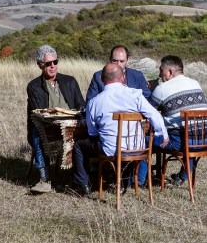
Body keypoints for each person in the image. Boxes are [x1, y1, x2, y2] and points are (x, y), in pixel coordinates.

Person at [72, 63, 168, 195]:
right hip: (137, 148)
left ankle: (83, 183)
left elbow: (92, 131)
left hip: (111, 150)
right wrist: (163, 134)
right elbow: (154, 114)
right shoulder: (135, 95)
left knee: (78, 145)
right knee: (121, 145)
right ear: (123, 78)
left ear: (101, 78)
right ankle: (124, 182)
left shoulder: (94, 102)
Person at [27, 44, 85, 194]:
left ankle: (79, 176)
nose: (53, 66)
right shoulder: (34, 86)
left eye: (55, 62)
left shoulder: (69, 81)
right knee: (37, 134)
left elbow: (80, 104)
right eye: (48, 64)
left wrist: (77, 111)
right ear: (40, 65)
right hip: (48, 125)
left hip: (72, 123)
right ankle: (44, 179)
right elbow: (39, 113)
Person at [150, 55, 207, 186]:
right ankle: (181, 177)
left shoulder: (162, 88)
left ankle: (139, 179)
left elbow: (149, 110)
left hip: (182, 142)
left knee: (143, 140)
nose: (160, 75)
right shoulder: (195, 83)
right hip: (206, 140)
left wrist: (151, 89)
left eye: (161, 71)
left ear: (170, 72)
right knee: (190, 136)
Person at [85, 45, 151, 103]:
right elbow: (90, 100)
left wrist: (130, 94)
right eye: (115, 61)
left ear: (127, 60)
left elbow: (146, 96)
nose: (118, 64)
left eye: (122, 61)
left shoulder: (137, 75)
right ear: (110, 59)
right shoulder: (98, 76)